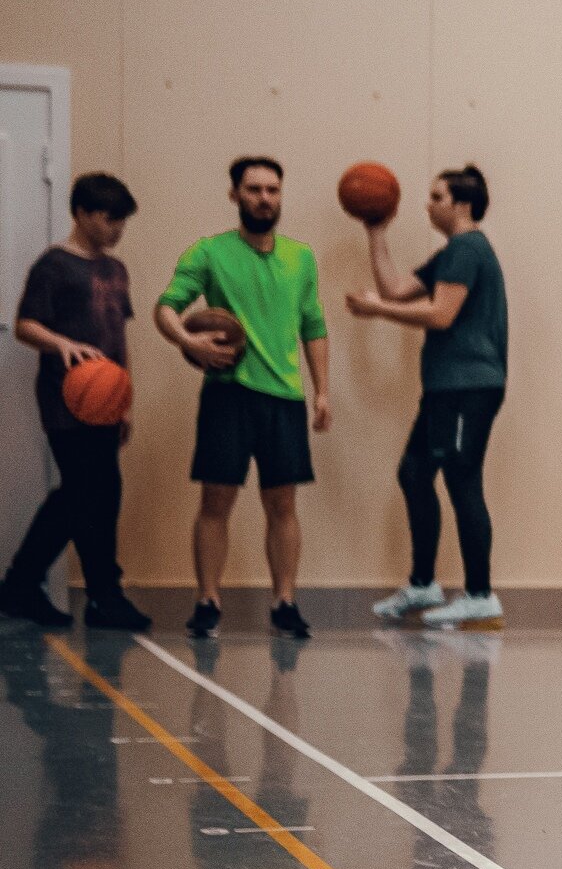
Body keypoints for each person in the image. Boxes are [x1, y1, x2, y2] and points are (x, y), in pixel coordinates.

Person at [155, 156, 331, 640]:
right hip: (227, 396)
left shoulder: (302, 257)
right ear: (234, 195)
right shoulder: (209, 253)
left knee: (283, 504)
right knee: (216, 501)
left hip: (284, 399)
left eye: (272, 190)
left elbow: (314, 327)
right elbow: (167, 308)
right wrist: (187, 342)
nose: (264, 198)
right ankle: (208, 600)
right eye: (253, 189)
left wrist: (322, 393)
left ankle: (286, 602)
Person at [347, 165, 510, 631]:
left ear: (461, 204)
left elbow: (440, 315)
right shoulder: (451, 253)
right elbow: (395, 290)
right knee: (415, 474)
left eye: (436, 196)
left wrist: (378, 312)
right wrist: (375, 231)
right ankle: (423, 585)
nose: (428, 204)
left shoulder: (467, 248)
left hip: (469, 386)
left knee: (462, 481)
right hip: (445, 387)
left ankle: (480, 595)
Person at [0, 173, 152, 631]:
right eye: (110, 220)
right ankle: (97, 593)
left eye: (123, 221)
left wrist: (125, 399)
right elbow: (25, 324)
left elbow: (119, 337)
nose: (117, 230)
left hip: (107, 400)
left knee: (96, 494)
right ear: (83, 214)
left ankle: (27, 587)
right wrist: (61, 343)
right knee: (89, 493)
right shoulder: (54, 266)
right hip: (66, 402)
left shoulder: (115, 269)